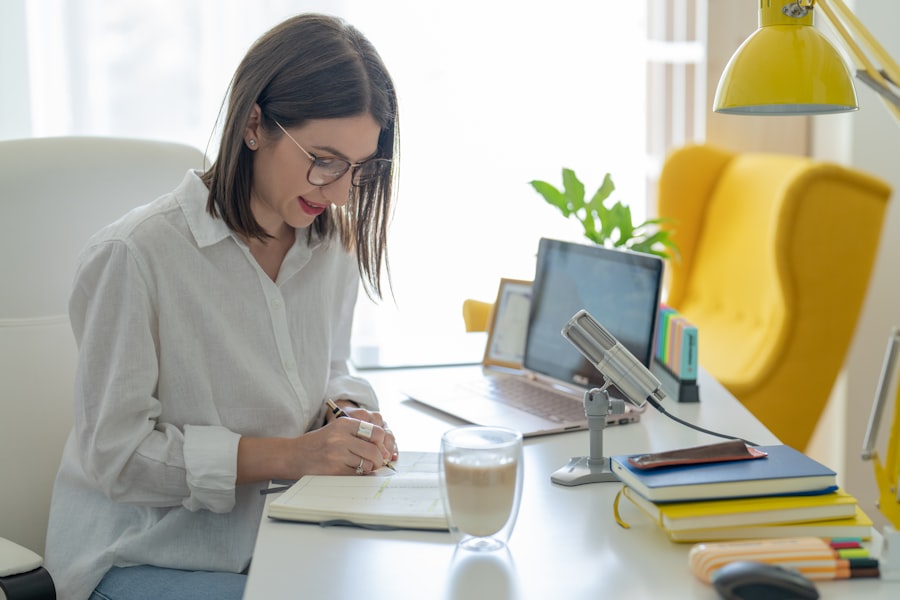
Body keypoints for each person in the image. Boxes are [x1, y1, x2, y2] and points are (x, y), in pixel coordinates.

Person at [44, 13, 399, 600]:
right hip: (144, 556)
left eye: (358, 170)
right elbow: (119, 456)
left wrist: (346, 416)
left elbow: (331, 369)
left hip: (281, 541)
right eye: (324, 158)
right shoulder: (134, 256)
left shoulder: (330, 246)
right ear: (255, 124)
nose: (338, 191)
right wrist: (293, 455)